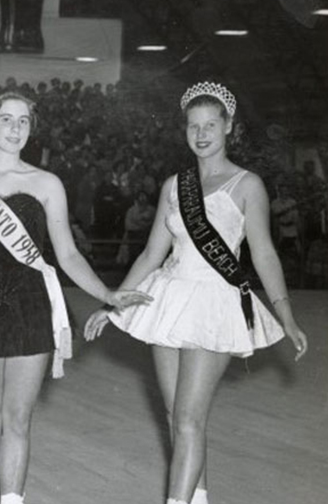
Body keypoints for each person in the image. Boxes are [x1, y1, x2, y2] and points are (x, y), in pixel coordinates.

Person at [85, 82, 309, 504]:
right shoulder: (174, 185)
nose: (201, 133)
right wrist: (110, 302)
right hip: (167, 299)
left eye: (211, 125)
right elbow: (152, 253)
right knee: (177, 418)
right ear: (184, 130)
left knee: (188, 419)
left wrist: (286, 316)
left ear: (228, 128)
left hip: (213, 302)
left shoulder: (247, 185)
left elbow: (263, 254)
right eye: (193, 126)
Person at [0, 89, 149, 504]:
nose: (15, 128)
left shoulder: (47, 183)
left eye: (24, 121)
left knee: (17, 420)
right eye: (7, 119)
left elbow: (66, 253)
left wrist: (107, 292)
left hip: (31, 305)